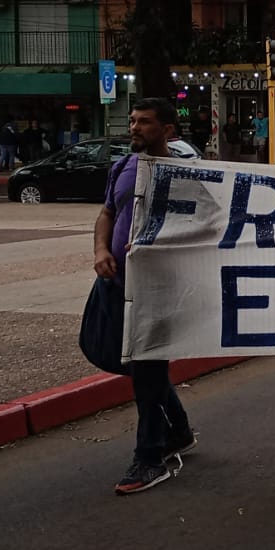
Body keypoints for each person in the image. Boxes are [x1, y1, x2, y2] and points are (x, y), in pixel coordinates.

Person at [93, 98, 195, 495]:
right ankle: (180, 431)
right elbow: (106, 214)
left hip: (159, 288)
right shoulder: (122, 167)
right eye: (133, 121)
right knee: (112, 354)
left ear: (168, 130)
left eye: (145, 122)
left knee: (146, 367)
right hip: (118, 284)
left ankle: (151, 456)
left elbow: (204, 225)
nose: (134, 127)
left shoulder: (186, 174)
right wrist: (101, 250)